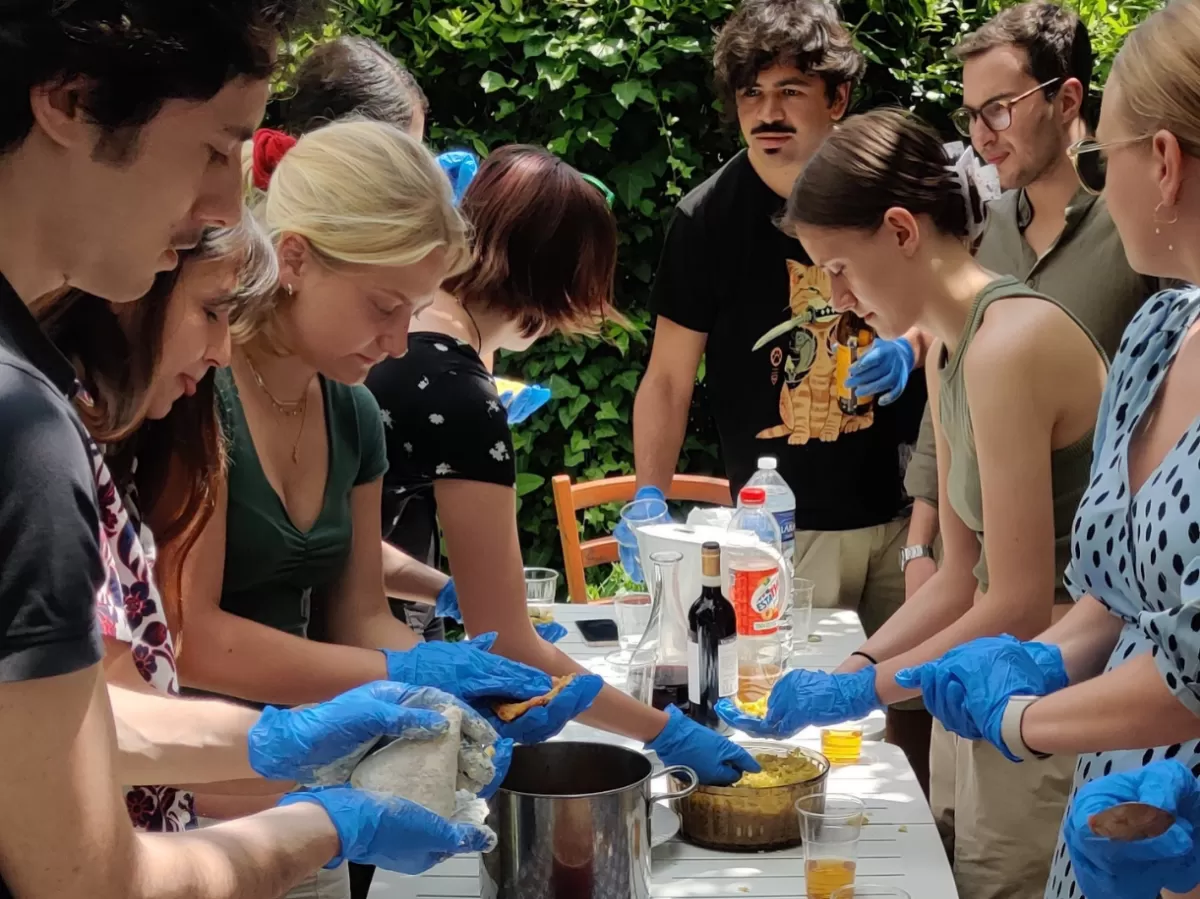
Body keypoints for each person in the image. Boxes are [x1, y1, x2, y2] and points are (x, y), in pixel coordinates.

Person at [0, 2, 497, 896]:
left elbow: (52, 729)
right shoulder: (24, 434)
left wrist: (279, 739)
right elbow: (92, 880)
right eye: (214, 148)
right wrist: (323, 819)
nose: (233, 204)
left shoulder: (34, 398)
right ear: (70, 103)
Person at [715, 107, 1108, 899]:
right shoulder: (949, 348)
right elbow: (961, 577)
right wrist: (854, 666)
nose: (834, 296)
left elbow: (1021, 600)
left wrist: (864, 688)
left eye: (836, 267)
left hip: (1056, 686)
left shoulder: (1009, 344)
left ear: (900, 230)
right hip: (983, 684)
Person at [174, 122, 601, 846]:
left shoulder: (356, 412)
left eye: (414, 308)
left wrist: (463, 685)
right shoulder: (196, 395)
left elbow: (358, 616)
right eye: (383, 304)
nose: (399, 341)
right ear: (296, 258)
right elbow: (194, 638)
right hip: (186, 816)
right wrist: (412, 668)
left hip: (310, 807)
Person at [889, 3, 1200, 898]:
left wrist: (1027, 718)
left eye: (1112, 155)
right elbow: (1121, 587)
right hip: (1105, 811)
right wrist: (1047, 657)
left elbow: (1190, 663)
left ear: (1167, 163)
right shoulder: (1158, 331)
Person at [365, 144, 760, 787]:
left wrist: (439, 587)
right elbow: (510, 642)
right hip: (362, 689)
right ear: (549, 285)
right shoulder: (458, 390)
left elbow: (347, 542)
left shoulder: (396, 332)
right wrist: (666, 731)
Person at [629, 0, 932, 789]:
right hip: (785, 530)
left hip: (916, 513)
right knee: (789, 728)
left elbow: (959, 305)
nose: (766, 114)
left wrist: (913, 346)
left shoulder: (887, 191)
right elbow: (667, 377)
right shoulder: (705, 220)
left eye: (790, 91)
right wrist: (648, 496)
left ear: (837, 100)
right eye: (751, 94)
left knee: (914, 719)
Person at [902, 2, 1163, 612]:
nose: (981, 136)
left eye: (999, 108)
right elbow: (950, 399)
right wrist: (920, 547)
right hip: (975, 595)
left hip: (1101, 606)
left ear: (1067, 100)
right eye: (971, 115)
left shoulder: (1143, 231)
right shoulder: (983, 232)